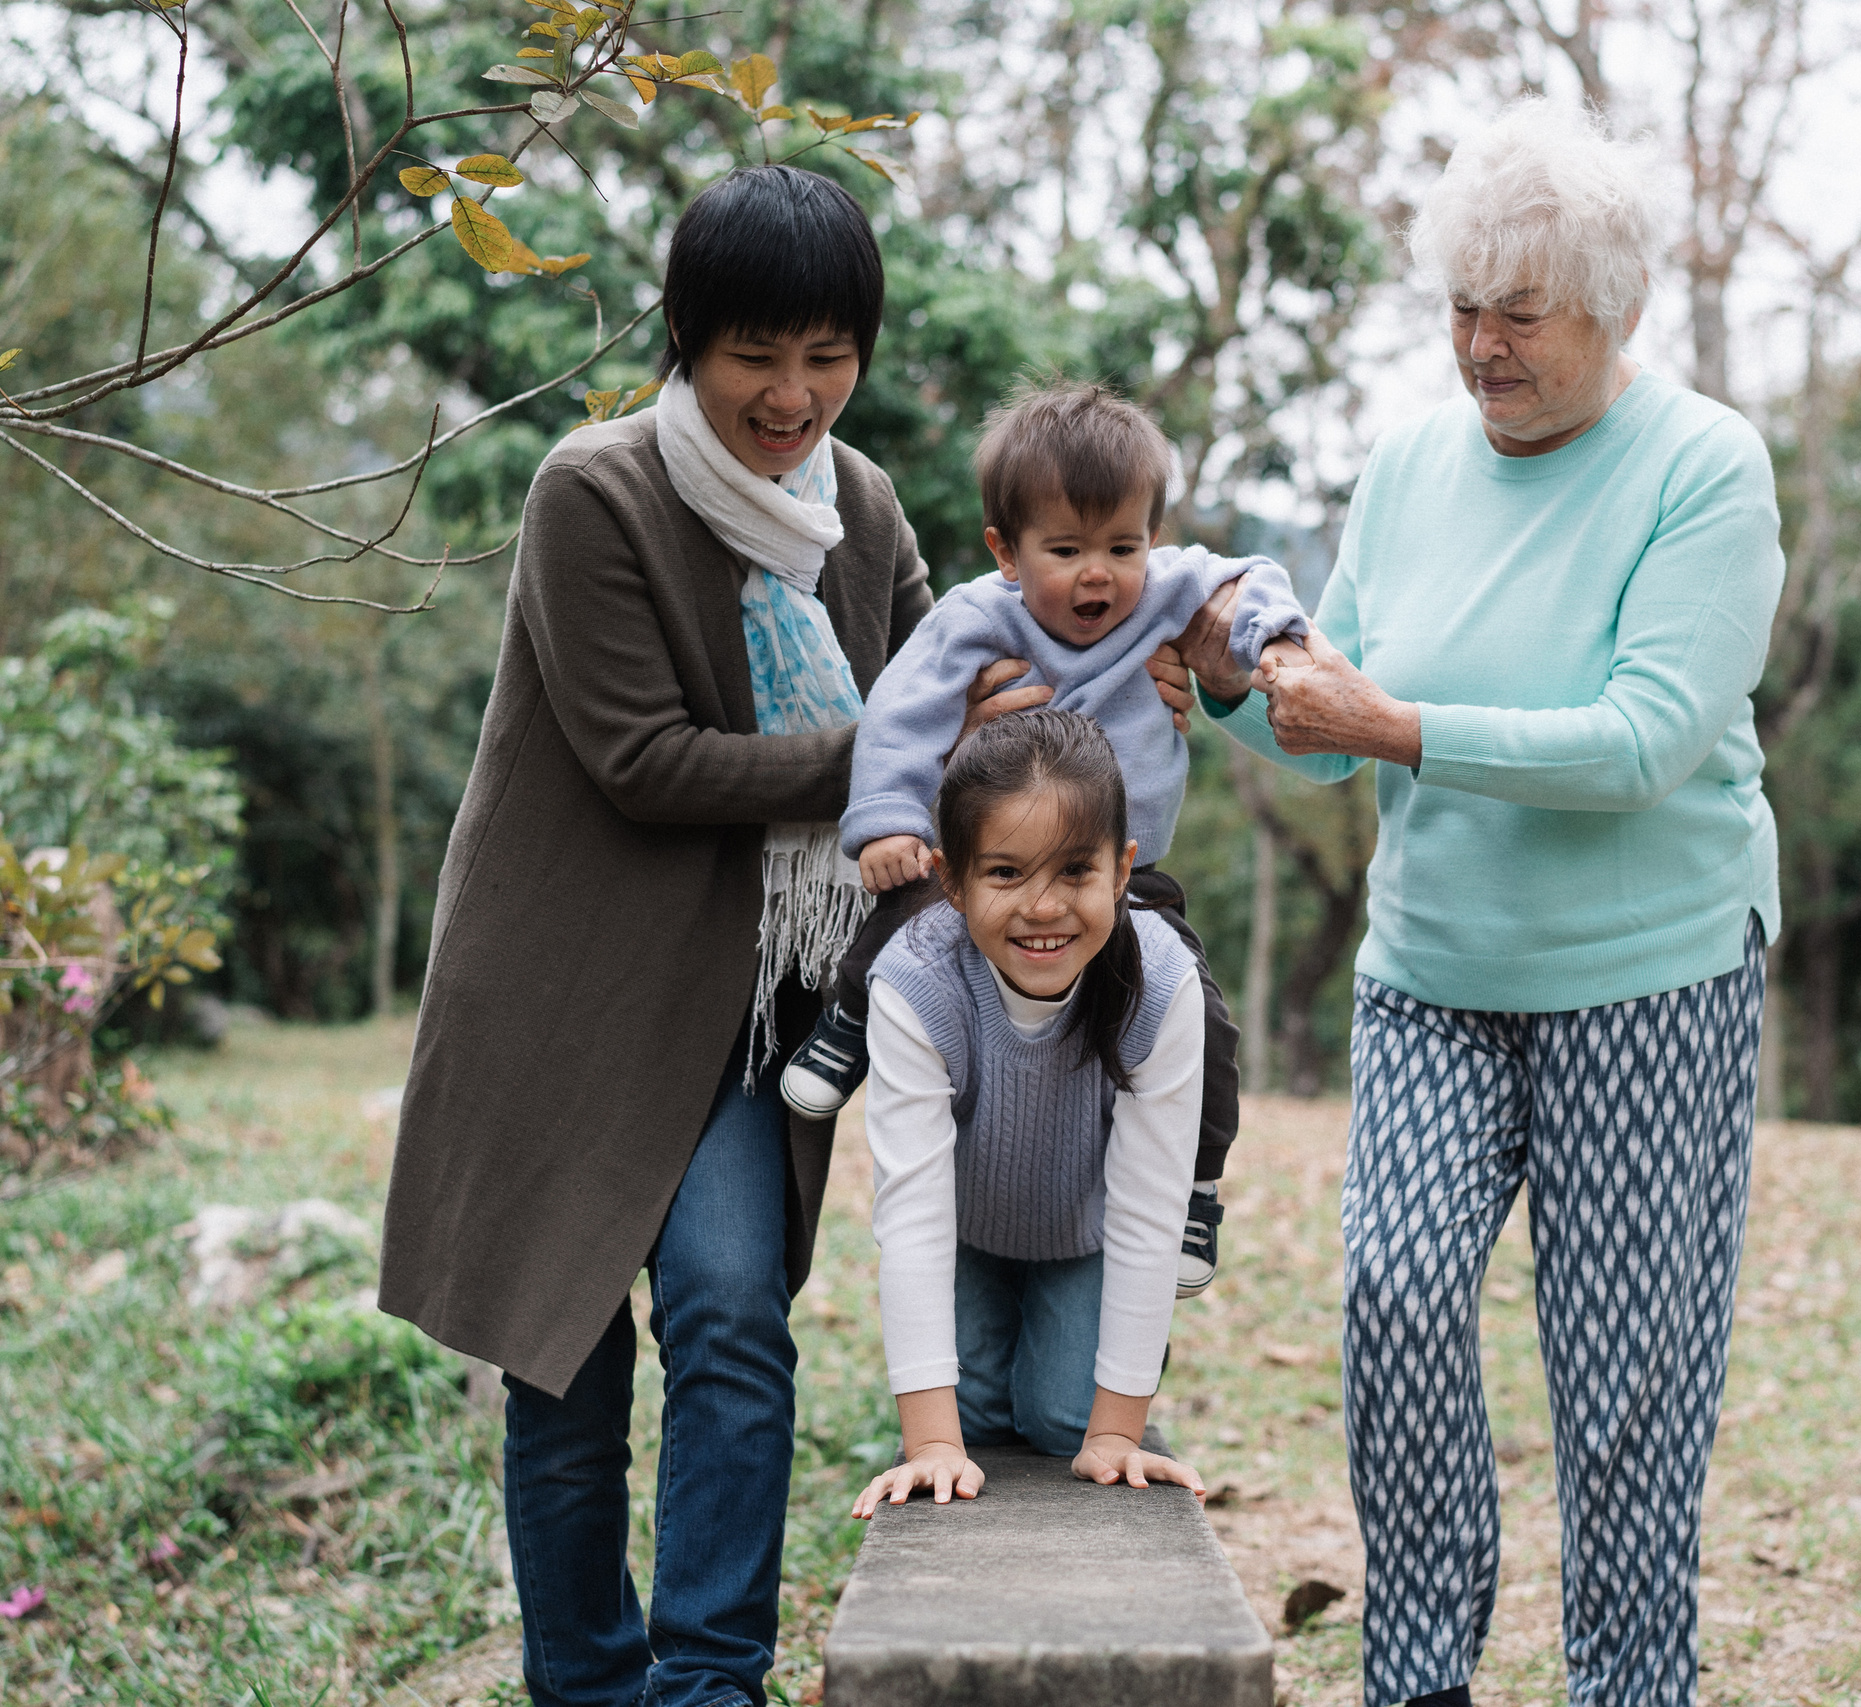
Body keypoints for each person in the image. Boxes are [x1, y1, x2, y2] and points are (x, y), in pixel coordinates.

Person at [1179, 98, 1785, 1707]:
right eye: (1463, 305)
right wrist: (1228, 680)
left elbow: (1647, 740)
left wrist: (1391, 727)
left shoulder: (1704, 466)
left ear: (1617, 310)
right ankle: (1422, 1672)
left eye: (1522, 313)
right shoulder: (1408, 463)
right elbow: (1331, 728)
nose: (1483, 344)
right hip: (1435, 972)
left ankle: (1631, 1684)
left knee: (1624, 1389)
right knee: (1391, 1294)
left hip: (1646, 981)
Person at [379, 164, 964, 1707]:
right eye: (755, 353)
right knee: (561, 1371)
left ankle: (707, 1678)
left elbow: (958, 674)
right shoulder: (598, 489)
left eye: (828, 354)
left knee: (726, 1312)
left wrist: (1090, 676)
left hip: (753, 999)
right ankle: (584, 1679)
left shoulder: (865, 504)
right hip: (567, 989)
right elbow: (649, 763)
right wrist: (903, 747)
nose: (793, 394)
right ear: (687, 339)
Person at [780, 379, 1310, 1297]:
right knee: (908, 912)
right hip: (990, 862)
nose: (1098, 573)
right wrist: (889, 823)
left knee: (1202, 1019)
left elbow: (1249, 577)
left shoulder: (1164, 595)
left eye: (1123, 545)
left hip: (1125, 877)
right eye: (1065, 549)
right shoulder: (979, 617)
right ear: (1007, 550)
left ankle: (1195, 1185)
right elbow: (902, 715)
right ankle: (848, 1021)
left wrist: (1267, 639)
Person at [847, 708, 1209, 1516]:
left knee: (1062, 1419)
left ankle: (1086, 1365)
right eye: (1006, 873)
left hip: (1087, 1233)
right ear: (951, 879)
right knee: (968, 1423)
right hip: (964, 1232)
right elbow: (911, 1220)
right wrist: (933, 1446)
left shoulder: (1163, 984)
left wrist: (1117, 1435)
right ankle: (984, 1379)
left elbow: (1153, 1215)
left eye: (1075, 871)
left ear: (1122, 870)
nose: (1044, 908)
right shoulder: (916, 982)